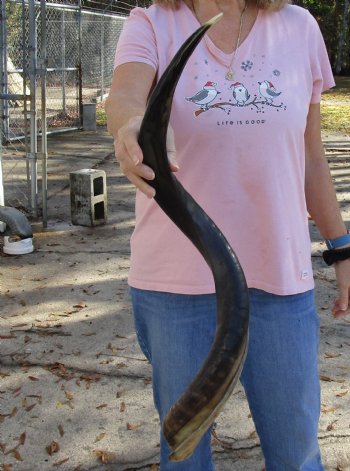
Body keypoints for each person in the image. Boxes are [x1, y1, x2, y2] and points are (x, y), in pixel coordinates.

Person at [105, 0, 350, 469]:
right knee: (185, 456)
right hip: (176, 286)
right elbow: (125, 98)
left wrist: (342, 248)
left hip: (281, 280)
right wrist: (131, 127)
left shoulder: (299, 26)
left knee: (296, 453)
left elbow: (311, 157)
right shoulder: (153, 23)